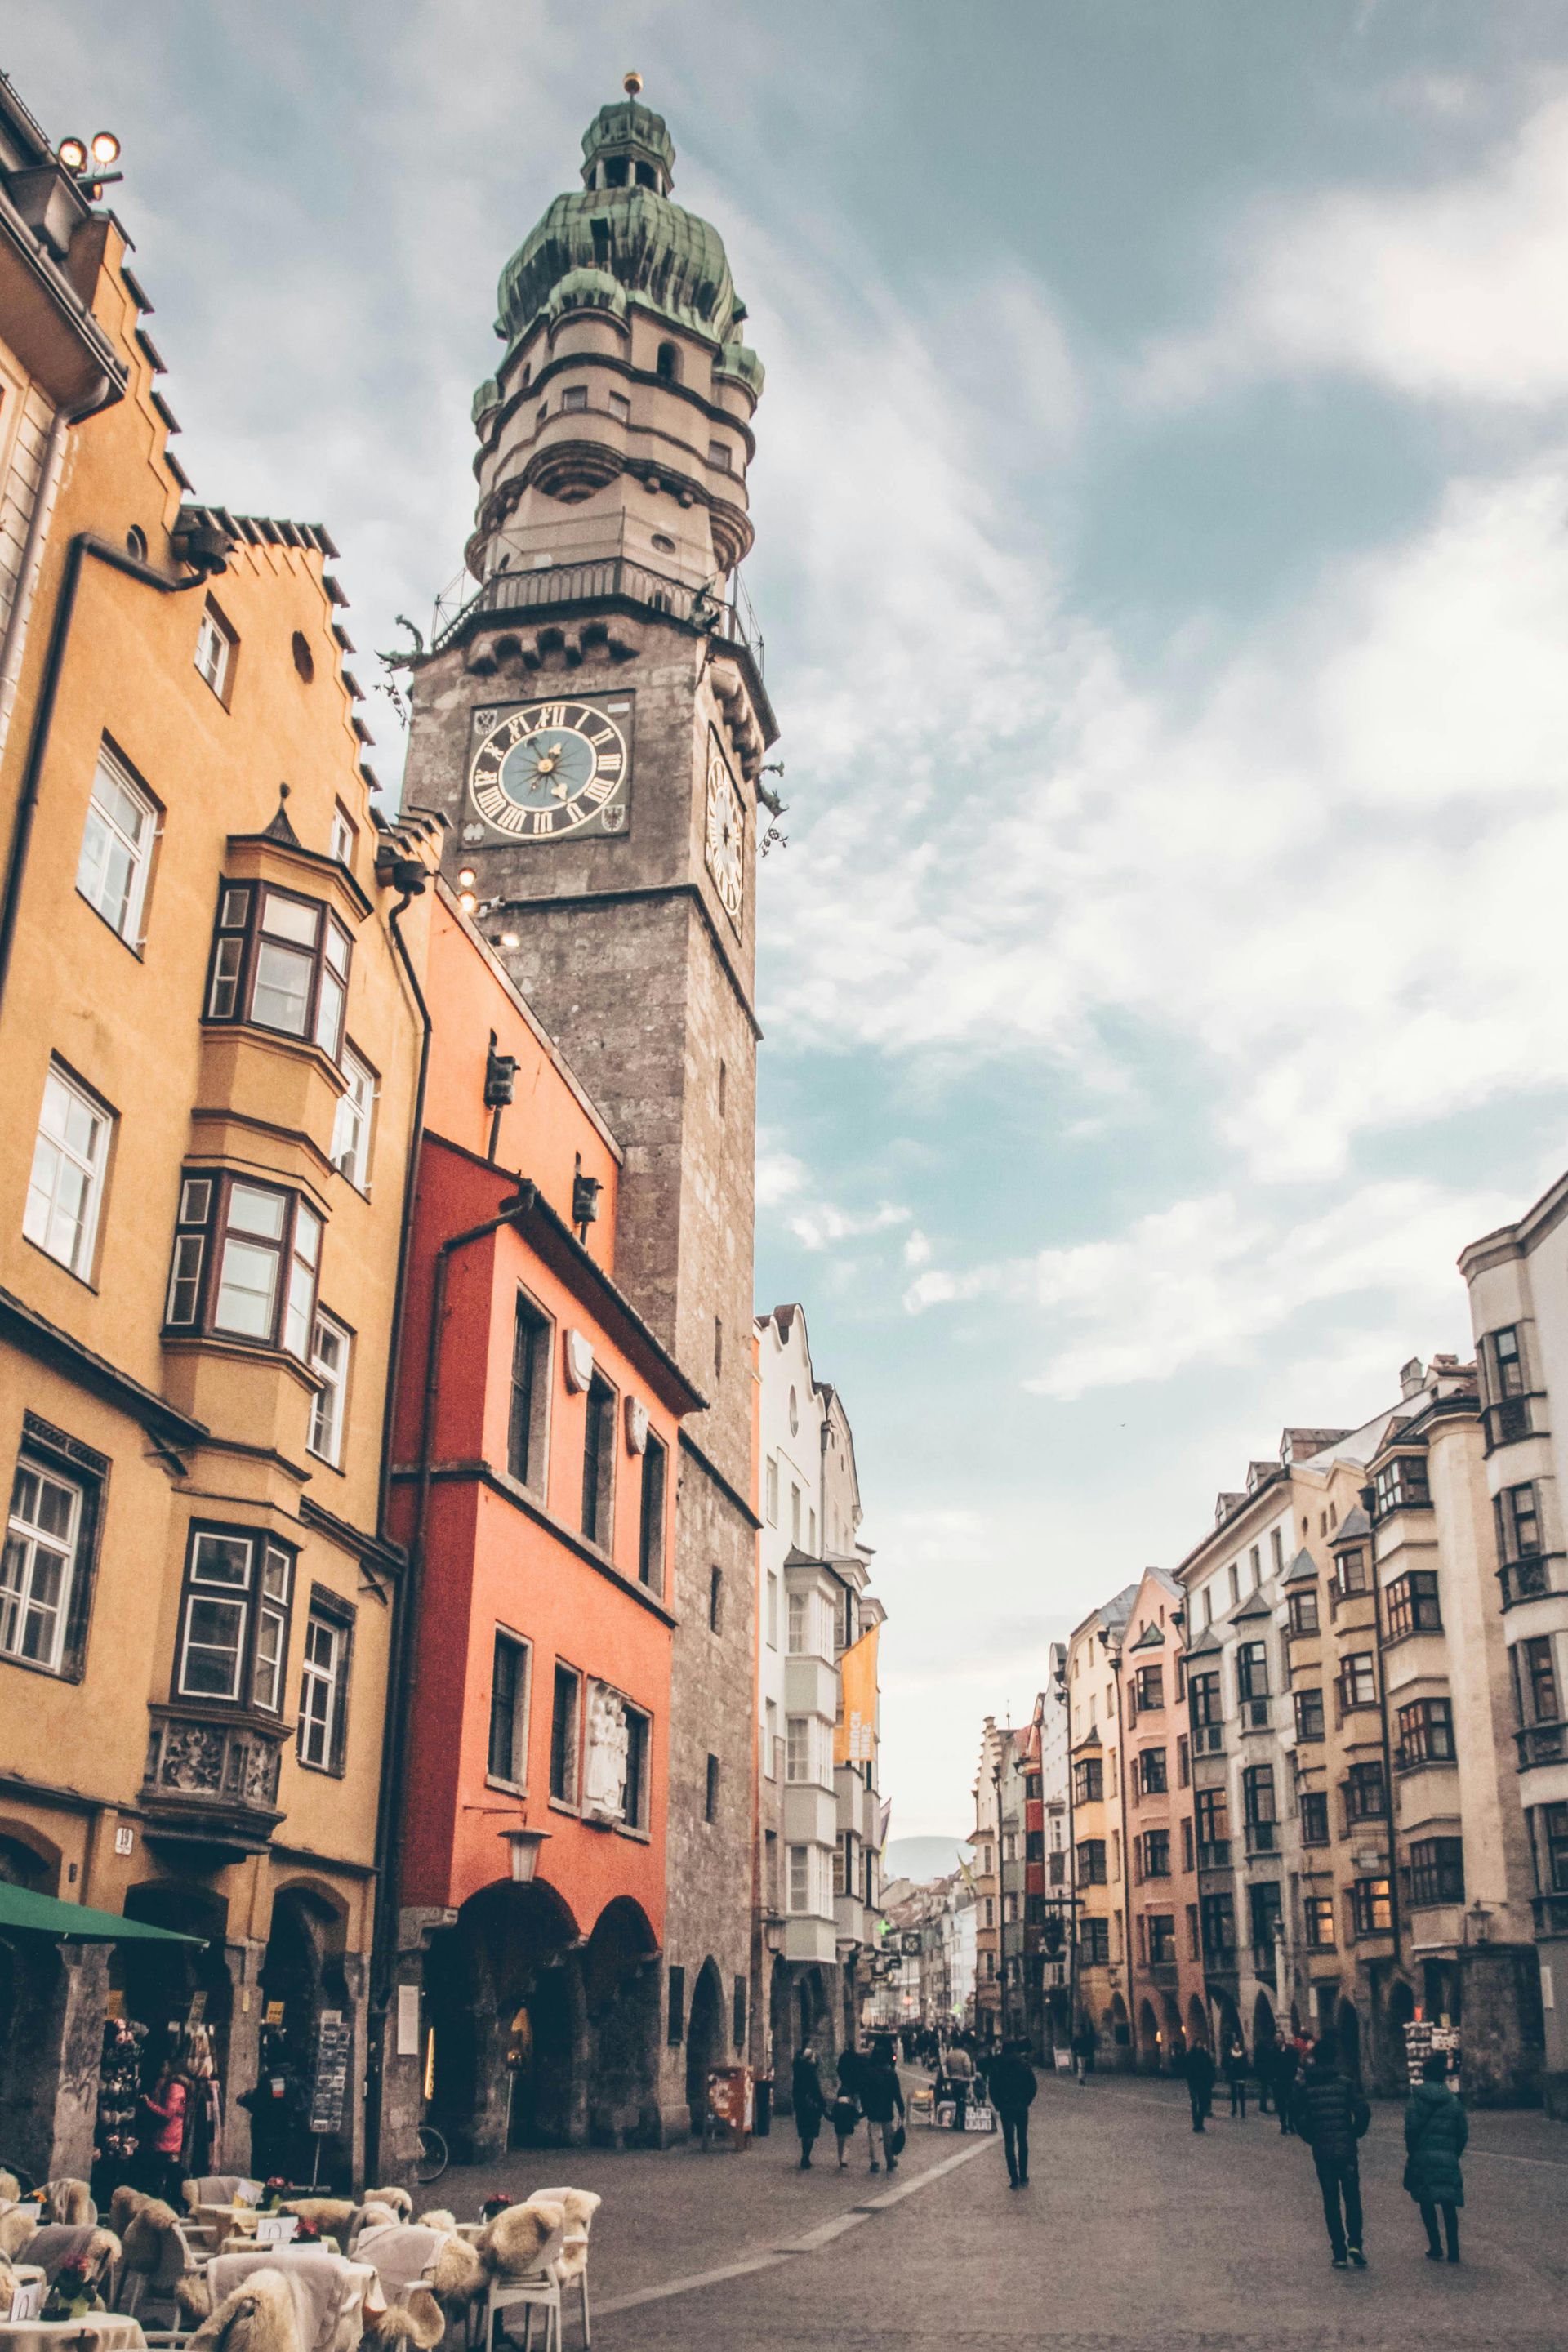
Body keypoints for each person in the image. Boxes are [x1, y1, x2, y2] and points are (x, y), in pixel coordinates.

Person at [1292, 2040, 1371, 2269]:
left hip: (1323, 2151)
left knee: (1331, 2201)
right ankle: (1355, 2243)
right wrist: (1356, 2132)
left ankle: (1339, 2251)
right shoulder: (1345, 2083)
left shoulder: (1308, 2086)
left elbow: (1299, 2115)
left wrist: (1311, 2137)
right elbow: (1363, 2110)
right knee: (1352, 2197)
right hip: (1347, 2150)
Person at [1404, 2051, 1467, 2264]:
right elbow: (1462, 2133)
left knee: (1426, 2200)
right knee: (1448, 2202)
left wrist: (1413, 2150)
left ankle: (1436, 2246)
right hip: (1448, 2155)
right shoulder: (1453, 2101)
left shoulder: (1416, 2099)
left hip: (1422, 2155)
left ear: (1426, 2076)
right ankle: (1454, 2250)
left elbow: (1411, 2129)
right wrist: (1453, 2152)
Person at [988, 2038, 1038, 2189]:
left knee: (1009, 2143)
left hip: (1006, 2107)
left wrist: (998, 2104)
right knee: (1022, 2141)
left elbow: (992, 2087)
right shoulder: (1024, 2064)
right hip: (1021, 2107)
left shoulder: (998, 2064)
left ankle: (1014, 2178)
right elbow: (1033, 2086)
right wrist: (1026, 2102)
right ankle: (1023, 2176)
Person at [140, 2057, 190, 2206]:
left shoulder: (174, 2087)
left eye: (165, 2064)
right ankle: (176, 2202)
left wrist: (148, 2104)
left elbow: (168, 2113)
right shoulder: (175, 2086)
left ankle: (175, 2202)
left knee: (163, 2172)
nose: (163, 2068)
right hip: (170, 2136)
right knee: (168, 2170)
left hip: (168, 2137)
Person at [858, 2041, 906, 2172]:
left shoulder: (869, 2072)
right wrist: (901, 2109)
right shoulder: (890, 2073)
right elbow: (897, 2093)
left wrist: (865, 2105)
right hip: (886, 2109)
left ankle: (874, 2162)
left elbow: (863, 2091)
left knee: (873, 2137)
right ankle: (890, 2160)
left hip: (873, 2109)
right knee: (887, 2137)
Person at [791, 2044, 826, 2171]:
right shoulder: (811, 2071)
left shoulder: (798, 2069)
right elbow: (816, 2089)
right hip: (811, 2105)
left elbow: (795, 2089)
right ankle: (806, 2156)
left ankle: (804, 2154)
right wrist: (823, 2103)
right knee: (811, 2131)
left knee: (805, 2131)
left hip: (800, 2104)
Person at [942, 2036, 975, 2128]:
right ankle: (962, 2118)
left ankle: (955, 2118)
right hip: (962, 2080)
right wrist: (968, 2077)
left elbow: (946, 2068)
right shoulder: (964, 2055)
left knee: (955, 2098)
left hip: (952, 2080)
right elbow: (967, 2068)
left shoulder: (949, 2055)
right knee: (963, 2098)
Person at [829, 2076, 861, 2171]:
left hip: (839, 2128)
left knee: (840, 2144)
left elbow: (832, 2116)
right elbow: (857, 2115)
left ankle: (840, 2159)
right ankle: (844, 2160)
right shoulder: (851, 2105)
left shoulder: (836, 2105)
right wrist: (866, 2112)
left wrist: (824, 2112)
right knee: (847, 2144)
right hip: (849, 2128)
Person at [1183, 2040, 1216, 2132]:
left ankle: (1200, 2123)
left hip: (1204, 2083)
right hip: (1194, 2083)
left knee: (1202, 2104)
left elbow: (1210, 2068)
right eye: (1198, 2043)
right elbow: (1187, 2068)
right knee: (1195, 2102)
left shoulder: (1205, 2055)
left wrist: (1211, 2080)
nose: (1200, 2045)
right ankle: (1196, 2124)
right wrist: (1189, 2079)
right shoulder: (1190, 2055)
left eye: (1200, 2043)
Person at [1223, 2035, 1250, 2121]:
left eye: (1238, 2046)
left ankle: (1243, 2111)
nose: (1237, 2047)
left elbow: (1246, 2065)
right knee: (1234, 2094)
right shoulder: (1229, 2054)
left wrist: (1245, 2073)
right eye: (1236, 2046)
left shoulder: (1243, 2055)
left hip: (1241, 2076)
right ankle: (1234, 2109)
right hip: (1233, 2077)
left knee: (1242, 2095)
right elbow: (1224, 2064)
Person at [1071, 2020, 1095, 2085]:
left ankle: (1081, 2078)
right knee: (1082, 2067)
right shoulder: (1081, 2038)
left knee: (1082, 2067)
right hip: (1081, 2054)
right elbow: (1074, 2046)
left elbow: (1074, 2046)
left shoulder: (1081, 2038)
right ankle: (1081, 2079)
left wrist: (1075, 2051)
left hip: (1082, 2054)